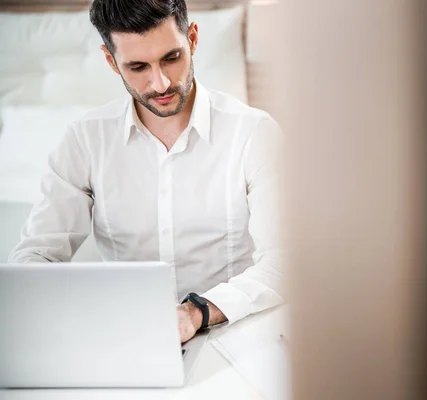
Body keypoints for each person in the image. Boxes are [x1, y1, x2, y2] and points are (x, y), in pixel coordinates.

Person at [8, 0, 284, 343]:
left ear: (193, 39)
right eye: (138, 66)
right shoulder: (85, 140)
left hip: (236, 335)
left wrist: (196, 312)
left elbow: (285, 263)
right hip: (124, 338)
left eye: (172, 58)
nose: (161, 83)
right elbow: (34, 258)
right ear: (111, 61)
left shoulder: (254, 133)